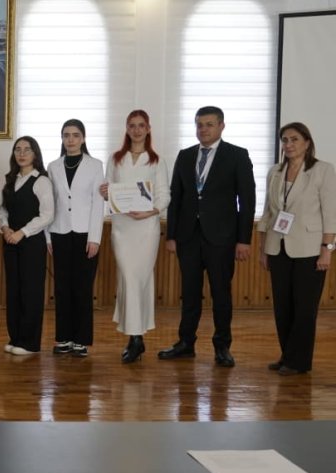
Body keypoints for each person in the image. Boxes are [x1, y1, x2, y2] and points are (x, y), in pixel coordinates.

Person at [159, 106, 255, 367]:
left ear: (222, 126)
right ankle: (185, 343)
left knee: (221, 294)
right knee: (189, 293)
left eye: (209, 124)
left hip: (222, 238)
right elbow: (176, 197)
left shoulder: (237, 155)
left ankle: (222, 346)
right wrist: (171, 235)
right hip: (188, 237)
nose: (203, 129)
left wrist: (244, 240)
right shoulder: (186, 155)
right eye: (199, 124)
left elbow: (247, 200)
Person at [258, 122, 336, 375]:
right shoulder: (275, 172)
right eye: (284, 140)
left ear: (307, 143)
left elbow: (331, 214)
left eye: (294, 139)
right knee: (283, 306)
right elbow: (269, 212)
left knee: (304, 308)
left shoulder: (322, 171)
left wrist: (327, 249)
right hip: (277, 246)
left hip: (310, 248)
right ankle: (287, 356)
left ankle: (299, 362)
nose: (288, 145)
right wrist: (263, 249)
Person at [98, 111, 170, 363]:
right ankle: (135, 336)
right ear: (126, 129)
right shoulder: (115, 159)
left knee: (140, 279)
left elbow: (164, 194)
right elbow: (109, 191)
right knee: (127, 277)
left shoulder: (156, 161)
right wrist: (105, 191)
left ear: (148, 128)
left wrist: (151, 210)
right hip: (122, 228)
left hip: (146, 227)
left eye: (141, 126)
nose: (137, 130)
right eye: (132, 126)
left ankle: (136, 338)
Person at [45, 119, 105, 358]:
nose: (70, 139)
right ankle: (63, 338)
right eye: (66, 135)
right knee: (62, 288)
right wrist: (47, 237)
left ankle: (81, 340)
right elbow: (49, 205)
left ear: (83, 138)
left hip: (84, 235)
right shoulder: (53, 166)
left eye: (75, 135)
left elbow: (98, 203)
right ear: (62, 138)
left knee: (82, 288)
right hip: (59, 232)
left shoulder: (95, 165)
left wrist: (95, 238)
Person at [0, 136, 54, 355]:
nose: (21, 154)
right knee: (14, 291)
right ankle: (16, 338)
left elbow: (48, 215)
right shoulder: (10, 181)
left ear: (35, 154)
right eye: (17, 149)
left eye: (27, 150)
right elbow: (3, 211)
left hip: (31, 243)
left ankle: (29, 343)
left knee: (30, 291)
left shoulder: (41, 181)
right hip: (11, 242)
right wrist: (5, 228)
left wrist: (22, 232)